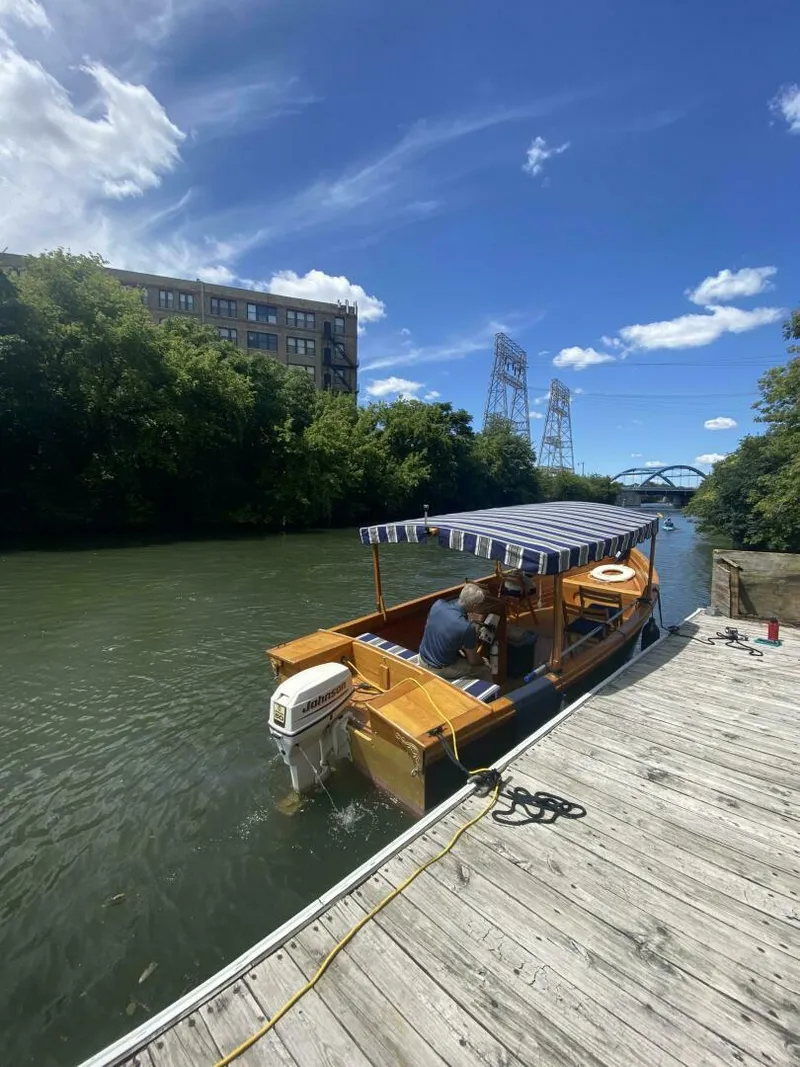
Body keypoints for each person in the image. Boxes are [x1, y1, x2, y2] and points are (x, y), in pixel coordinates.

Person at [418, 582, 493, 681]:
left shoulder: (437, 604)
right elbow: (473, 661)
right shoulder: (467, 628)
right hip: (437, 669)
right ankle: (491, 695)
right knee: (486, 668)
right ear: (474, 606)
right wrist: (483, 661)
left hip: (422, 658)